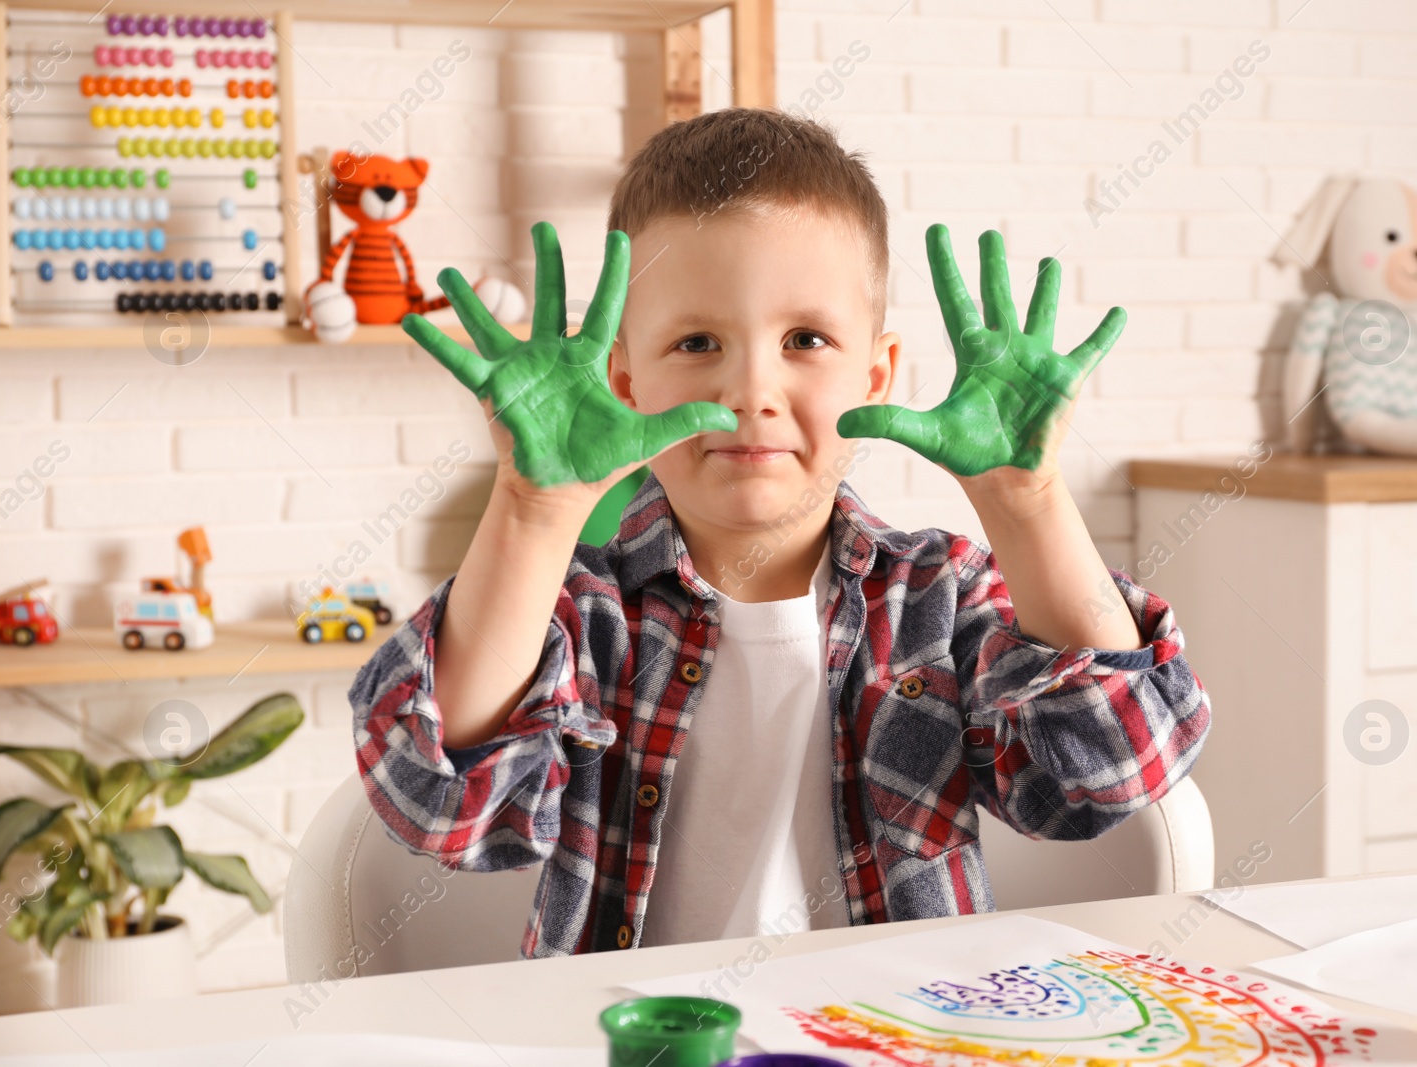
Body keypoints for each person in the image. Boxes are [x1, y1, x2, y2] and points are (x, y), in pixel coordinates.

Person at [349, 107, 1210, 959]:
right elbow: (441, 807)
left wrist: (1030, 502)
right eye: (695, 341)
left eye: (805, 338)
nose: (751, 388)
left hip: (901, 1035)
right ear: (624, 380)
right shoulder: (583, 611)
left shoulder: (939, 596)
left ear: (875, 372)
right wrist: (535, 512)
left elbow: (1109, 774)